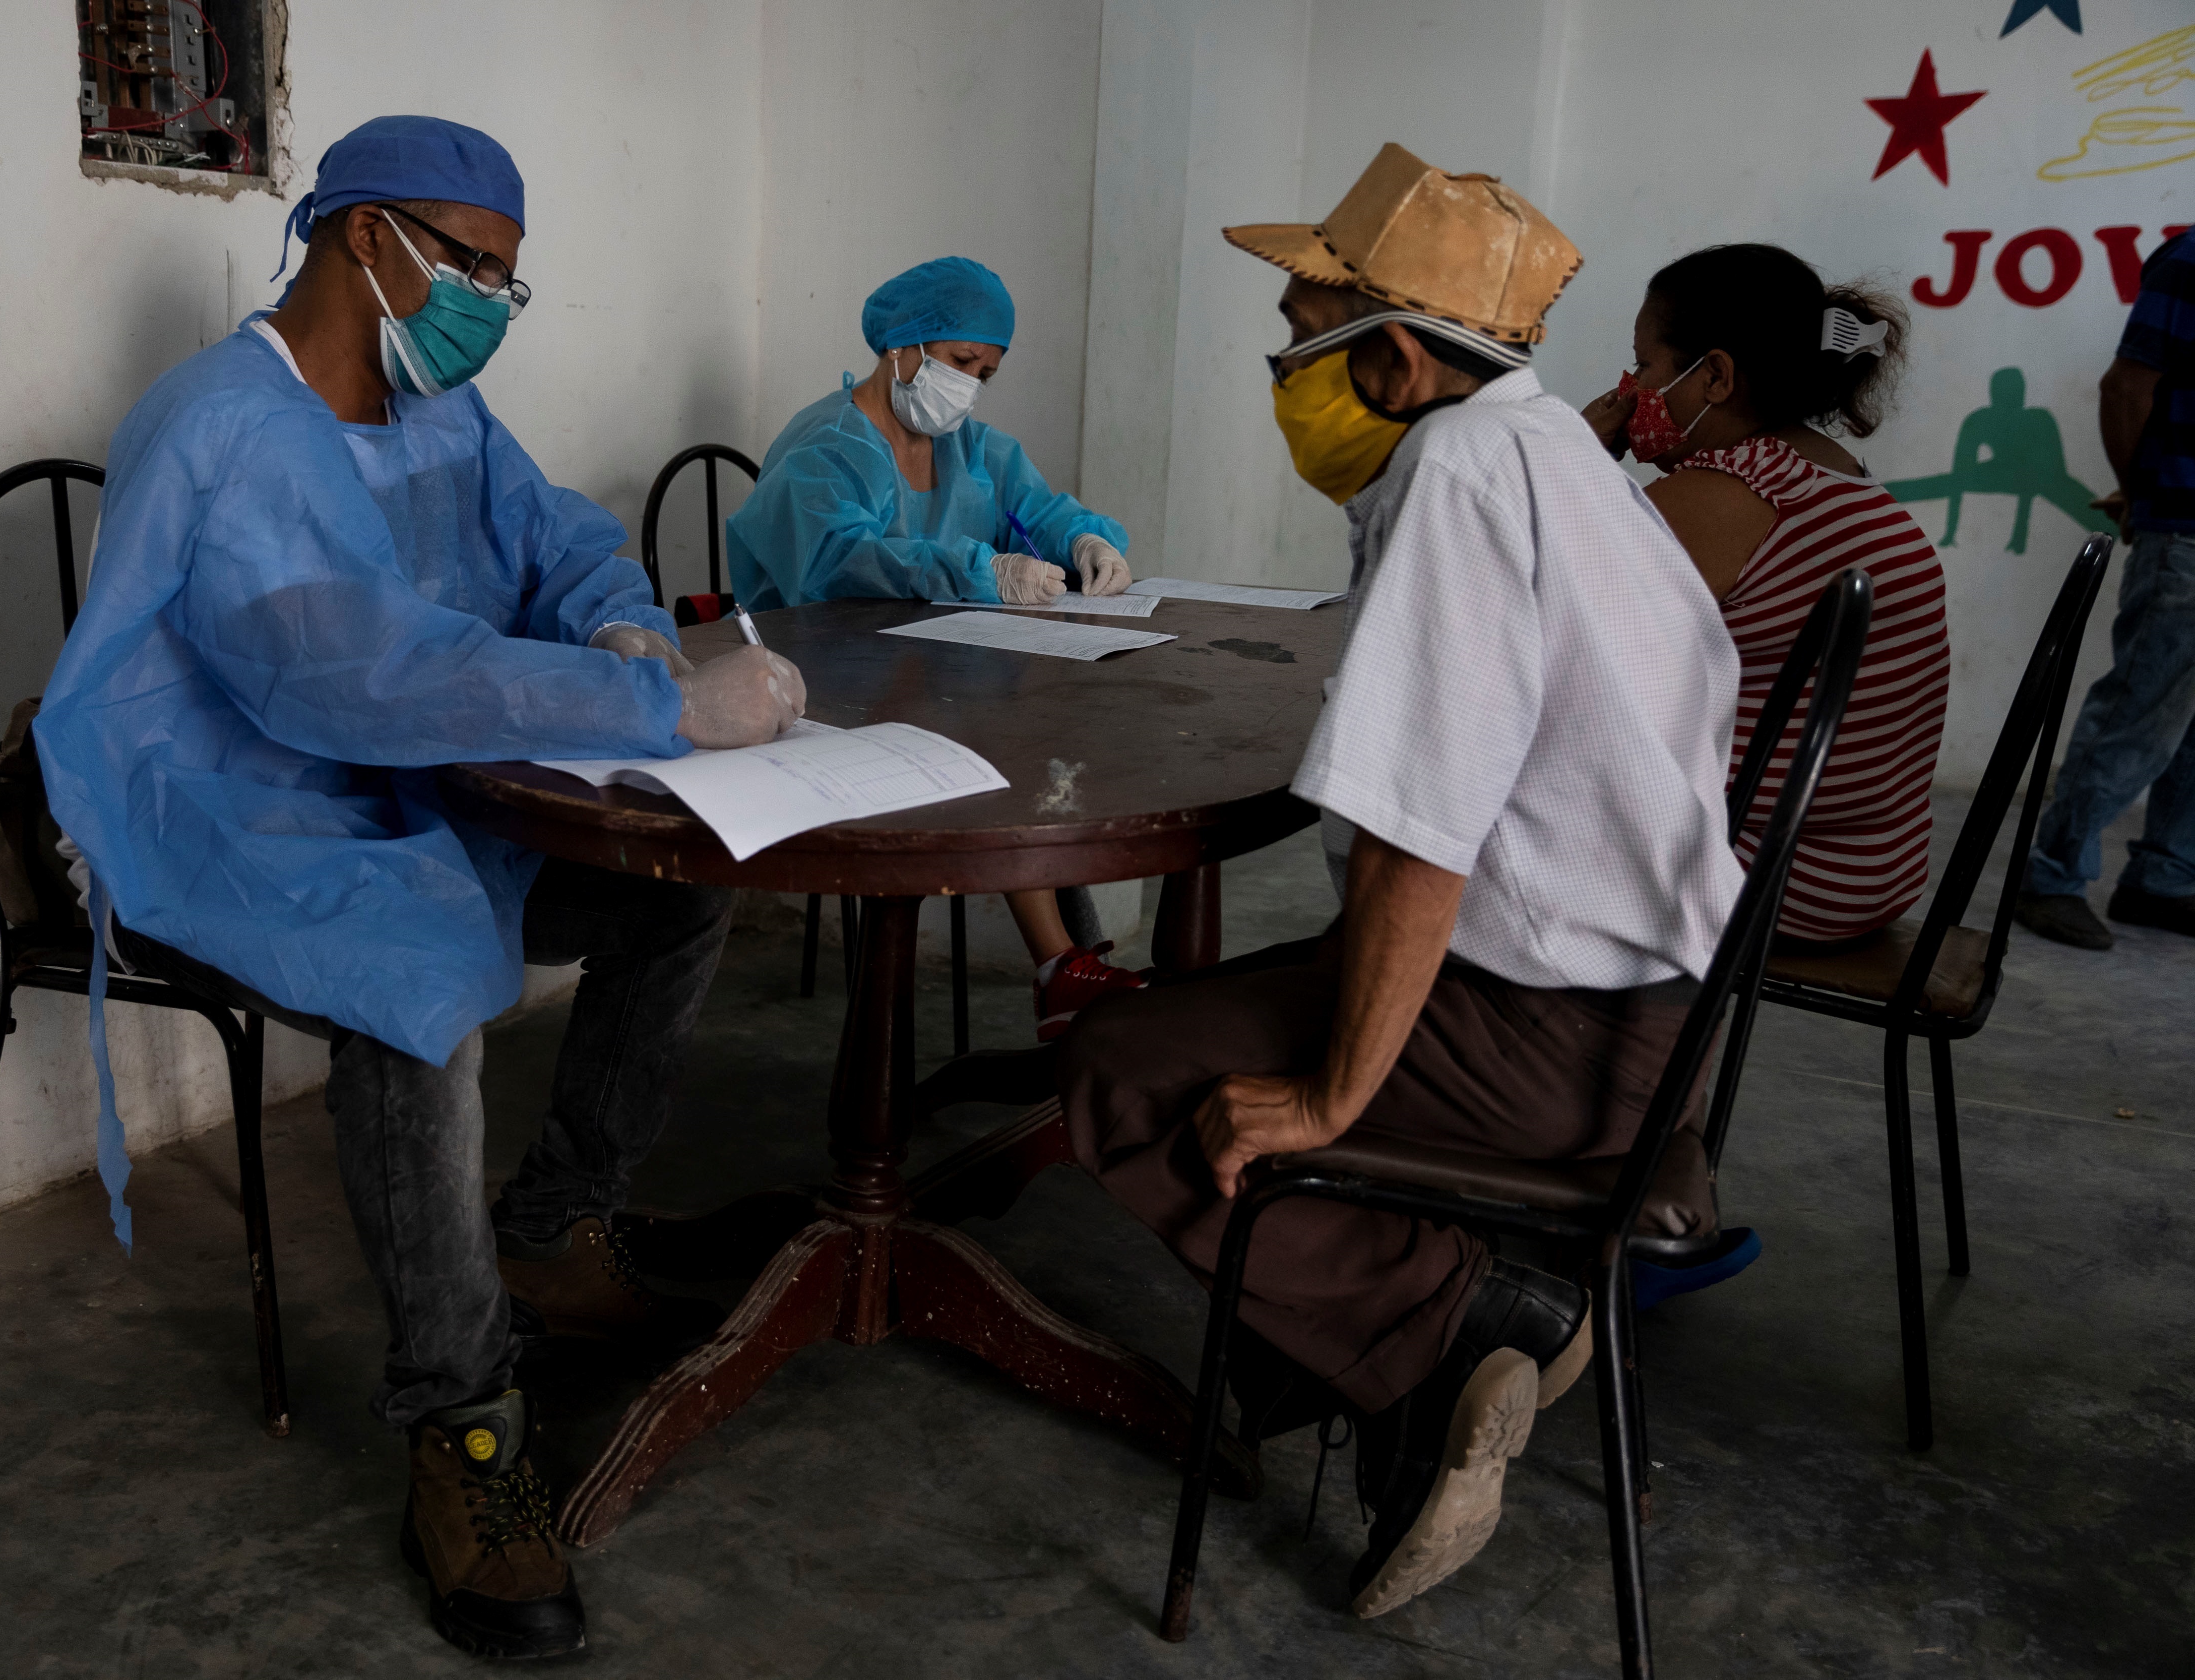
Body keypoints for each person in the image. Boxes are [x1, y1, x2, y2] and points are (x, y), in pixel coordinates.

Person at [34, 117, 809, 1663]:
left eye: (509, 286)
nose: (490, 311)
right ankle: (462, 1423)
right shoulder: (218, 427)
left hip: (423, 781)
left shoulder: (434, 404)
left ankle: (554, 1224)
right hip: (240, 800)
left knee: (674, 882)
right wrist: (657, 715)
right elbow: (343, 676)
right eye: (475, 271)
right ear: (361, 235)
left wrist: (626, 629)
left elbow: (559, 541)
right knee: (416, 974)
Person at [1059, 143, 1743, 1620]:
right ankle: (1380, 1346)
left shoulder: (1453, 479)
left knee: (1124, 1072)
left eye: (1301, 340)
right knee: (1214, 1009)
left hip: (1547, 1037)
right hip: (1656, 1022)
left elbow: (1416, 850)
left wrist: (1326, 1102)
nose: (1284, 374)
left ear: (1386, 361)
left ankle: (1458, 1320)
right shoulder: (1557, 452)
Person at [726, 256, 1145, 1036]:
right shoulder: (826, 447)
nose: (971, 384)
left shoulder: (969, 448)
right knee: (992, 745)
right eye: (960, 363)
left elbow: (1040, 508)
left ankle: (1071, 971)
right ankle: (1065, 968)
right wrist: (975, 566)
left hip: (935, 677)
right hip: (824, 687)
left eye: (986, 370)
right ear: (904, 345)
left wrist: (1086, 539)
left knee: (1028, 739)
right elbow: (835, 566)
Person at [1583, 245, 1950, 950]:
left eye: (1647, 365)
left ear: (1715, 375)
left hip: (1768, 879)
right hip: (1875, 873)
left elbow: (1531, 632)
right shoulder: (1834, 473)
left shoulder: (1719, 496)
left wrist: (1575, 456)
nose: (1630, 388)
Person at [2017, 227, 2195, 949]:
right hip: (2186, 526)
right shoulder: (2191, 262)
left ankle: (2164, 878)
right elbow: (2128, 386)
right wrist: (2139, 492)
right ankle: (2050, 877)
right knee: (2140, 709)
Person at [1883, 366, 2115, 554]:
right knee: (1934, 485)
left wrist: (2021, 528)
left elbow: (2056, 472)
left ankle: (2124, 528)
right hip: (1998, 473)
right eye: (2004, 394)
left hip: (2043, 476)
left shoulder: (2039, 420)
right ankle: (1877, 495)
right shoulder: (1980, 420)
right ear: (1993, 396)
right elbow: (1959, 476)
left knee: (2090, 507)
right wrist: (1950, 532)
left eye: (2014, 394)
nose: (2009, 401)